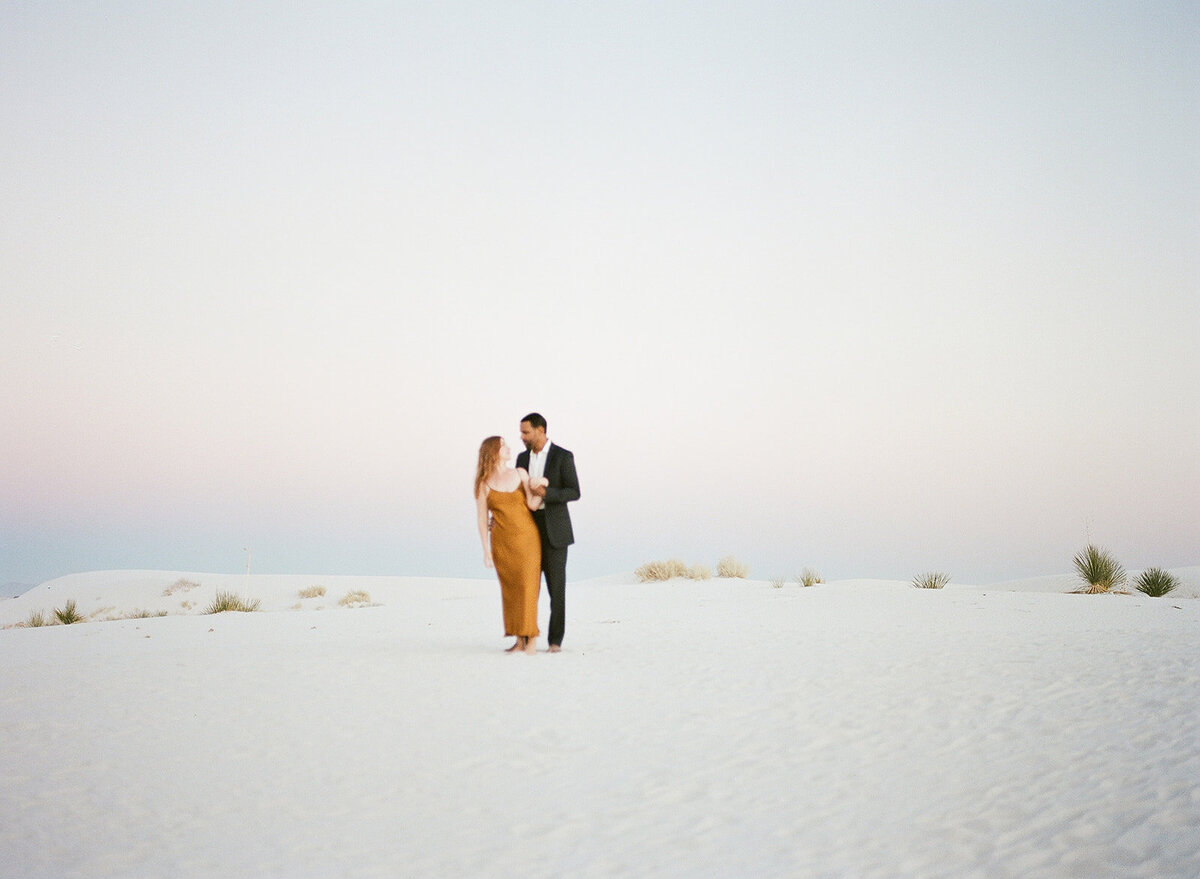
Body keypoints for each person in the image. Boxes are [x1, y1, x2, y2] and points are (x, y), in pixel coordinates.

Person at [515, 413, 580, 653]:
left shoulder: (563, 456)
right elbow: (517, 494)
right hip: (527, 529)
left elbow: (574, 491)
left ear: (540, 430)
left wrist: (546, 493)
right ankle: (525, 638)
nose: (522, 437)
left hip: (555, 530)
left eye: (526, 432)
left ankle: (555, 642)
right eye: (521, 432)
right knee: (527, 588)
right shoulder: (522, 458)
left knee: (556, 589)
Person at [475, 436, 542, 654]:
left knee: (528, 587)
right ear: (492, 451)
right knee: (510, 590)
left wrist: (543, 487)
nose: (508, 447)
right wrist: (486, 551)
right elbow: (482, 519)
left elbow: (532, 504)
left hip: (528, 540)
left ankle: (531, 639)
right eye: (503, 445)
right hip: (501, 543)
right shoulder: (484, 484)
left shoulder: (520, 473)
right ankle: (519, 640)